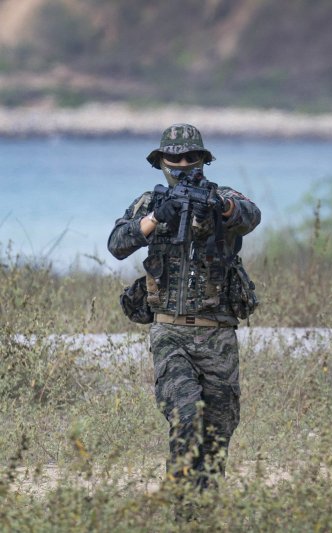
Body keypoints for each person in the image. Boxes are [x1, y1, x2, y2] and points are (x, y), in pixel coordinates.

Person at [108, 123, 261, 492]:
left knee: (218, 433)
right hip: (170, 332)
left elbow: (250, 216)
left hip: (217, 334)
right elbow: (117, 244)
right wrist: (158, 216)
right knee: (186, 417)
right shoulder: (150, 202)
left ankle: (203, 508)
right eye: (173, 158)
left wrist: (220, 207)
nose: (181, 164)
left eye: (190, 157)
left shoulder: (222, 196)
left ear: (203, 160)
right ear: (160, 161)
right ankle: (180, 502)